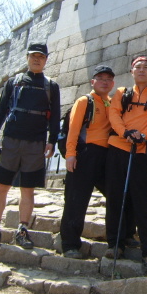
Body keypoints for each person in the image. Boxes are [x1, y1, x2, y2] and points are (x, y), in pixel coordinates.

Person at [0, 42, 60, 249]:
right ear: (27, 58)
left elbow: (55, 116)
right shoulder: (14, 82)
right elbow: (1, 109)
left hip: (36, 142)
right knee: (2, 186)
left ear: (46, 60)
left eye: (41, 57)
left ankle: (22, 230)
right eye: (34, 56)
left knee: (27, 189)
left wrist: (52, 140)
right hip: (11, 140)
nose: (37, 60)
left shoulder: (51, 86)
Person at [105, 54, 147, 273]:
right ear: (132, 71)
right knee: (115, 198)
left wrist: (144, 136)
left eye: (146, 67)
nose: (142, 70)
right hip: (118, 148)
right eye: (138, 67)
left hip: (141, 152)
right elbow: (114, 115)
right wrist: (125, 133)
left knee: (143, 201)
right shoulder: (121, 93)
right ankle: (115, 243)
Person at [60, 64, 116, 259]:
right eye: (100, 78)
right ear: (93, 82)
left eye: (108, 79)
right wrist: (70, 154)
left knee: (115, 195)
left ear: (113, 83)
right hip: (85, 154)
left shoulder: (111, 103)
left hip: (105, 156)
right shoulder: (85, 101)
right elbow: (74, 129)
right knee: (76, 200)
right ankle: (70, 244)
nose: (104, 82)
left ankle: (119, 237)